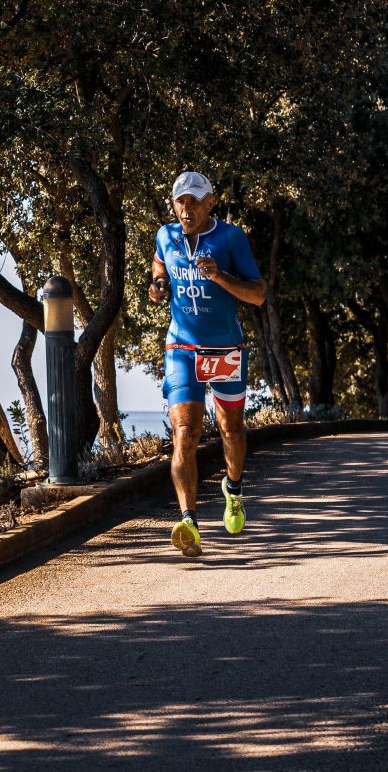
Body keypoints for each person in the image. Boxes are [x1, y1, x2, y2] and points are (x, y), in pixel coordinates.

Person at [148, 171, 266, 557]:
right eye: (180, 201)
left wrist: (220, 277)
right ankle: (189, 522)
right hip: (181, 347)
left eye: (194, 201)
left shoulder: (231, 238)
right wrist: (158, 284)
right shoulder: (166, 236)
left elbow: (258, 295)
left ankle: (232, 490)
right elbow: (158, 263)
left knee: (231, 430)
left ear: (210, 203)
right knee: (186, 432)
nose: (187, 208)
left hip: (225, 350)